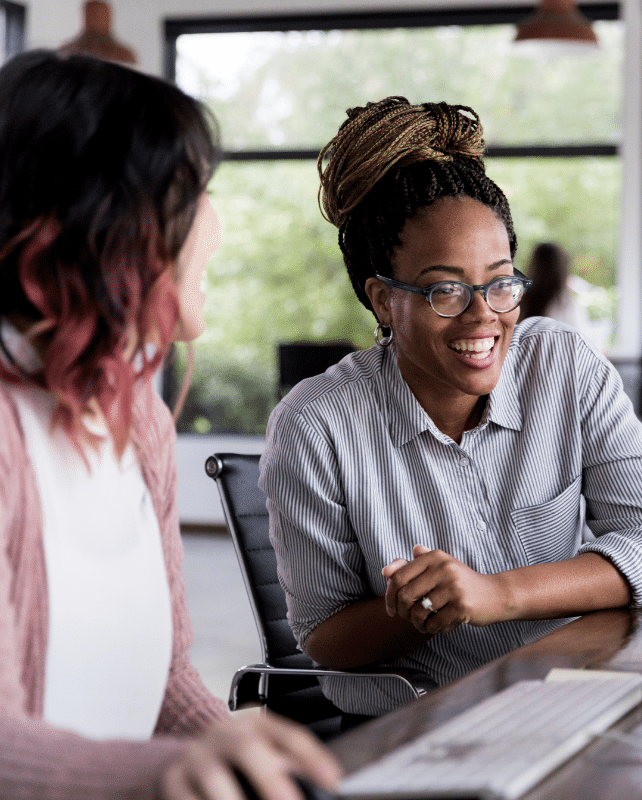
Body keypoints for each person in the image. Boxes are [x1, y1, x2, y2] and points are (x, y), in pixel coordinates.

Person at [260, 96, 642, 718]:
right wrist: (423, 608)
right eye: (445, 289)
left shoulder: (562, 368)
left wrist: (496, 593)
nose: (483, 314)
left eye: (500, 282)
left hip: (579, 701)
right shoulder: (316, 426)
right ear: (384, 301)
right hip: (433, 725)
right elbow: (325, 640)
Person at [0, 50, 341, 800]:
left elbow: (165, 679)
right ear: (106, 222)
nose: (215, 223)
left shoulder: (142, 424)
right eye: (194, 192)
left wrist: (231, 750)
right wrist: (165, 775)